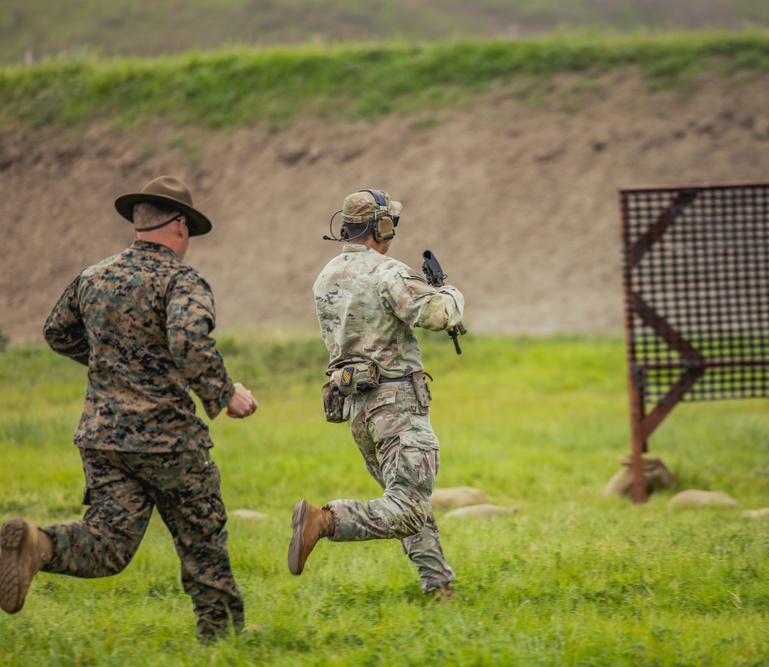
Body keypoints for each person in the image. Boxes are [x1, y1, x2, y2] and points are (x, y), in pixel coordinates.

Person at [0, 176, 259, 643]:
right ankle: (222, 639)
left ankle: (38, 545)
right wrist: (226, 395)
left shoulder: (93, 276)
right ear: (179, 225)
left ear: (138, 225)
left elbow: (56, 331)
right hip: (167, 440)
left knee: (108, 543)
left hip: (102, 436)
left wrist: (113, 363)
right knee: (202, 538)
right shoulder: (181, 280)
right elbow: (187, 342)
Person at [288, 188, 463, 600]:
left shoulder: (325, 277)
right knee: (408, 506)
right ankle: (324, 520)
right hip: (397, 404)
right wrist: (452, 294)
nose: (393, 233)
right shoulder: (388, 272)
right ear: (380, 227)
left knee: (406, 498)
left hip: (357, 409)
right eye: (391, 224)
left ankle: (439, 588)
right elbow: (438, 314)